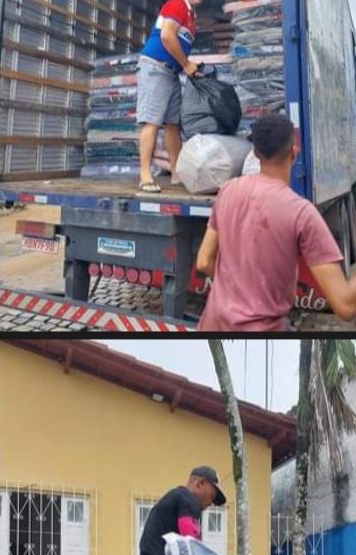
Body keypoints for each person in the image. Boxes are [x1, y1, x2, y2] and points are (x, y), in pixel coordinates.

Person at [196, 113, 356, 330]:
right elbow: (345, 307)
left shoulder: (228, 190)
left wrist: (238, 287)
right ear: (294, 152)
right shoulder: (301, 213)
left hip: (213, 323)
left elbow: (204, 261)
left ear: (254, 153)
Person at [137, 0, 204, 193]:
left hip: (171, 71)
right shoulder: (177, 3)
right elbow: (167, 36)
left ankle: (176, 173)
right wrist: (186, 64)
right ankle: (145, 176)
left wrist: (188, 65)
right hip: (155, 67)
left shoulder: (191, 15)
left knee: (173, 123)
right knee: (152, 121)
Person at [134, 466, 227, 555]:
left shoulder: (175, 498)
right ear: (200, 484)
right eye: (212, 496)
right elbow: (189, 545)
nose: (211, 503)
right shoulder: (188, 499)